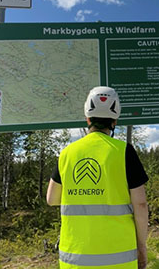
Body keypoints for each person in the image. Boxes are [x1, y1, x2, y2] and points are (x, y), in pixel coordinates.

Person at [47, 86, 149, 269]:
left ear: (88, 118)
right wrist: (141, 246)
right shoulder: (124, 152)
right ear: (114, 121)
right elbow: (140, 205)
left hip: (74, 259)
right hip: (120, 258)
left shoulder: (67, 153)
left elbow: (52, 199)